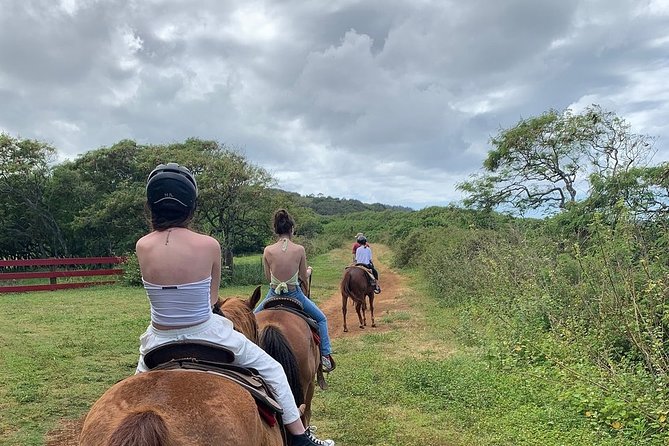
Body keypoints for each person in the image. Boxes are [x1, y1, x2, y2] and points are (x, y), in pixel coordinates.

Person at [134, 163, 334, 446]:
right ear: (191, 205)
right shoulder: (208, 245)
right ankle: (301, 439)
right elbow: (213, 301)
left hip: (156, 341)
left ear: (151, 205)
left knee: (132, 390)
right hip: (206, 332)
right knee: (275, 371)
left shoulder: (142, 245)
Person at [254, 209, 336, 373]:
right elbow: (303, 278)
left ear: (276, 230)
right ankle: (325, 356)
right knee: (321, 319)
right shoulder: (299, 249)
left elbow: (268, 279)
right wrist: (308, 273)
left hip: (273, 294)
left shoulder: (268, 250)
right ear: (291, 229)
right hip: (295, 295)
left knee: (250, 319)